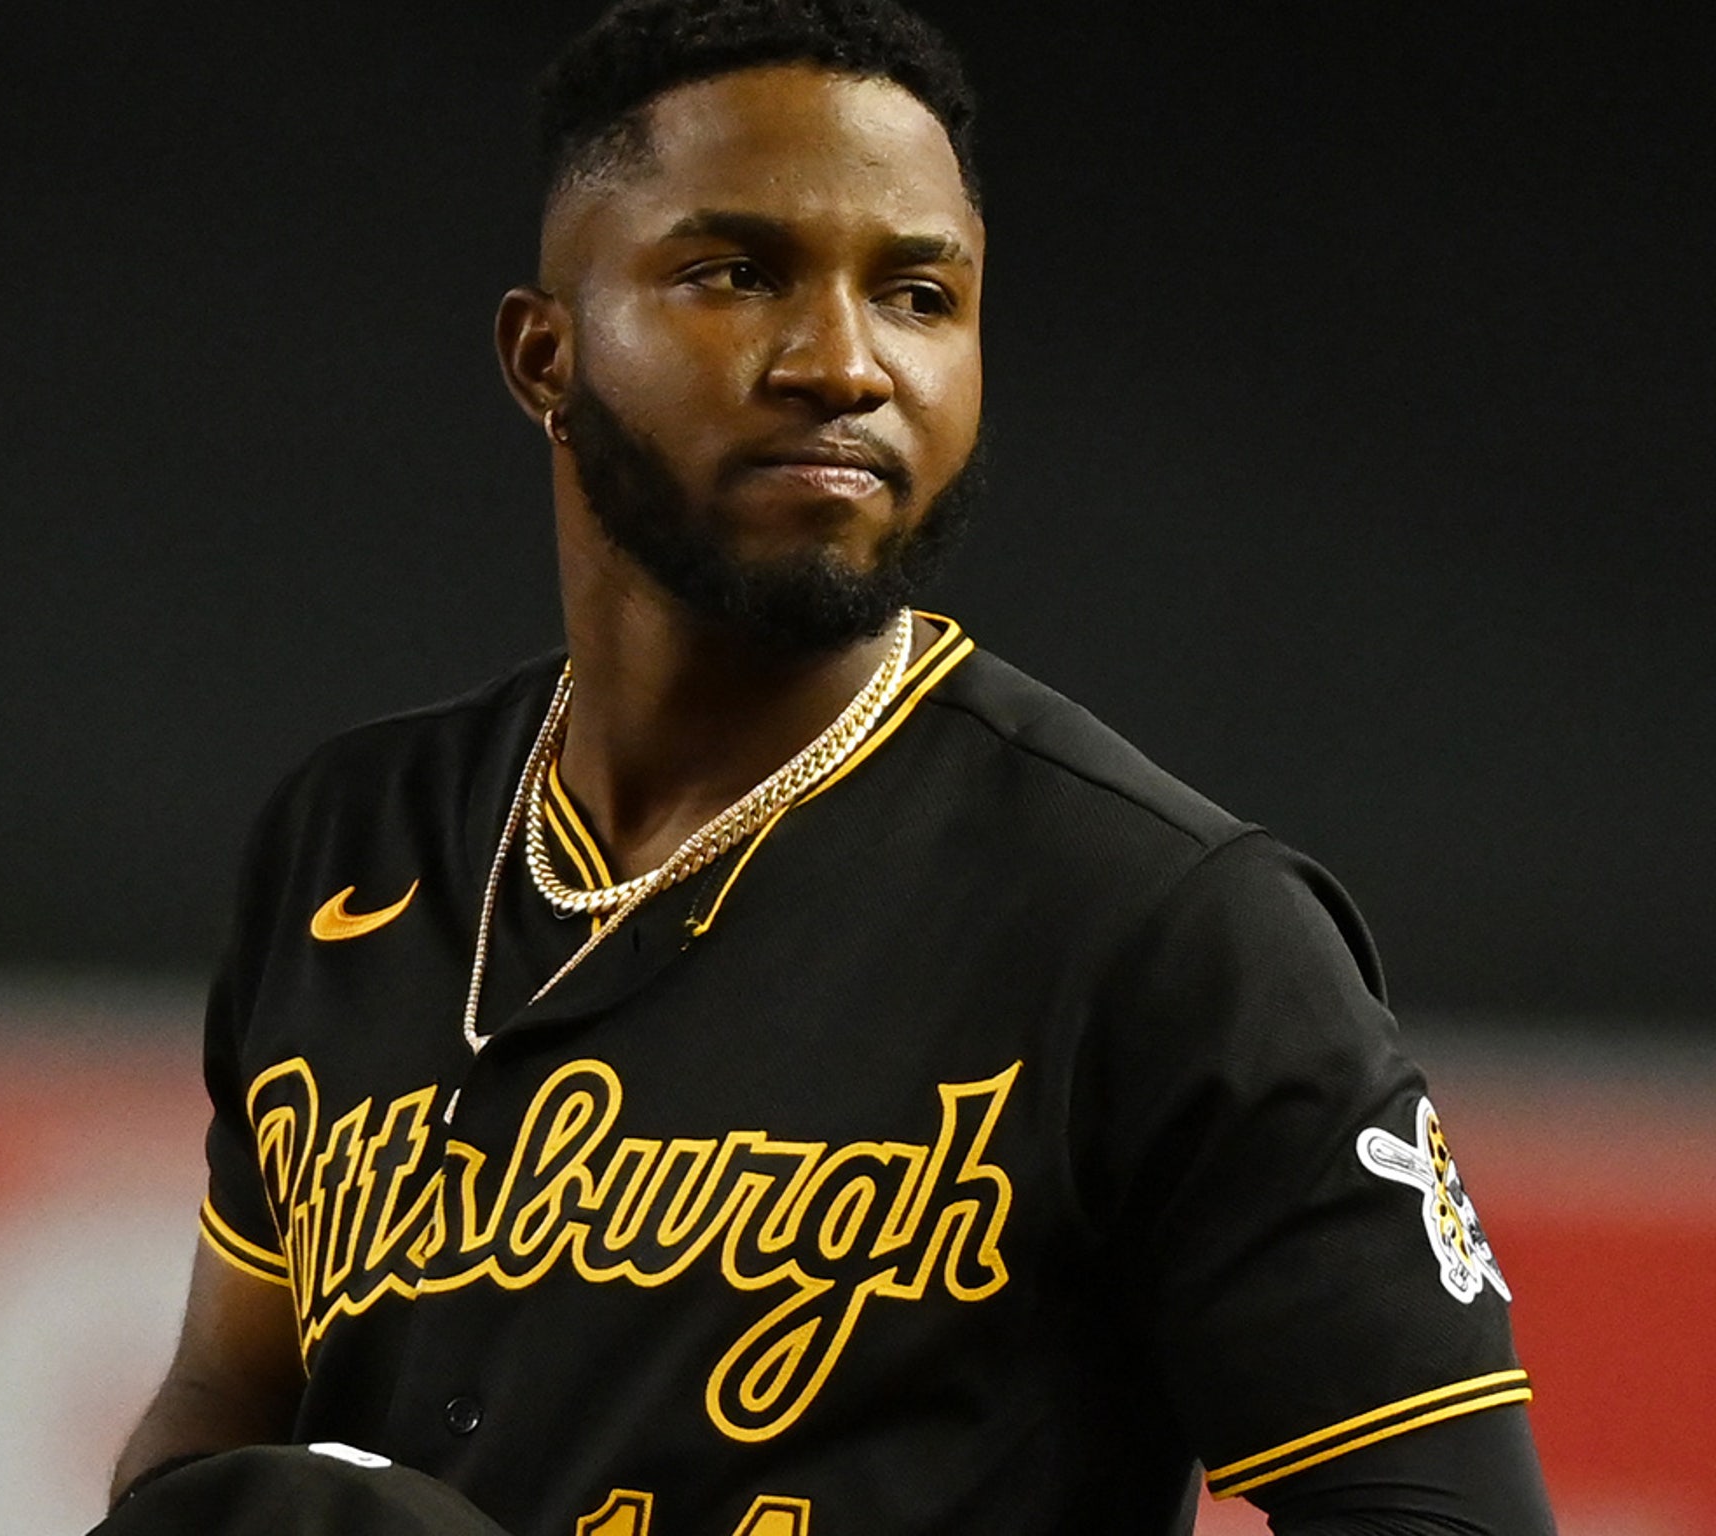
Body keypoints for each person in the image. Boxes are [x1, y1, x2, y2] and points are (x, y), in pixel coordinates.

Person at [104, 1, 1557, 1531]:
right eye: (736, 275)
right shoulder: (351, 839)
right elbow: (224, 1392)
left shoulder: (1170, 932)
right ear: (546, 357)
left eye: (921, 295)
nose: (844, 362)